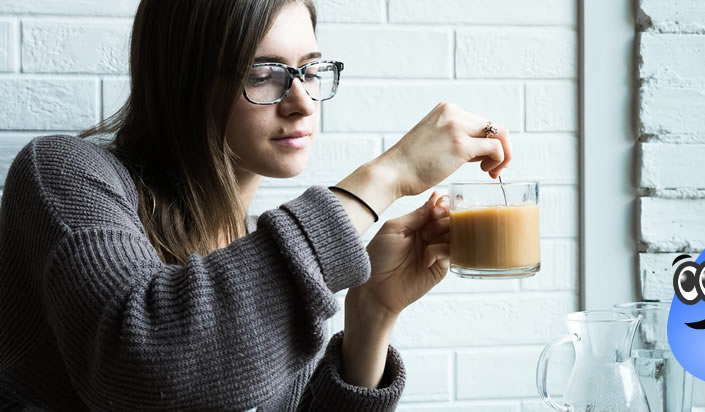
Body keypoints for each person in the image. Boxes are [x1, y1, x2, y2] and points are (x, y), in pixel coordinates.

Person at [0, 0, 512, 410]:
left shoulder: (256, 253)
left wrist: (372, 310)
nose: (302, 102)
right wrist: (386, 177)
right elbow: (146, 368)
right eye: (263, 72)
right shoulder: (62, 174)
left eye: (310, 71)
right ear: (186, 79)